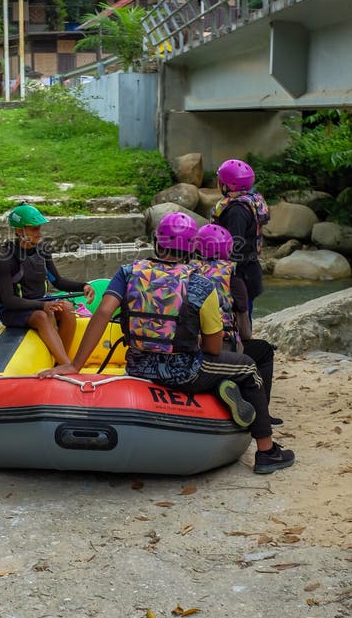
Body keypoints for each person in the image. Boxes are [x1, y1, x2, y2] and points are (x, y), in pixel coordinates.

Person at [38, 211, 294, 474]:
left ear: (157, 243)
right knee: (248, 367)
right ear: (190, 249)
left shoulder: (128, 272)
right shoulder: (201, 283)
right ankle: (267, 452)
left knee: (220, 365)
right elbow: (214, 348)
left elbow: (102, 313)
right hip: (183, 372)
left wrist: (75, 365)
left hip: (137, 366)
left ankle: (223, 393)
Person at [194, 222, 282, 427]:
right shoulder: (233, 280)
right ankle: (262, 413)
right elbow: (245, 333)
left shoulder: (186, 273)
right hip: (223, 350)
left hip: (191, 348)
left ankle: (220, 390)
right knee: (264, 350)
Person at [0, 203, 95, 365]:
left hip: (41, 301)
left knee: (67, 308)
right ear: (20, 231)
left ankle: (59, 362)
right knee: (42, 316)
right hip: (15, 309)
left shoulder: (42, 250)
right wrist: (42, 306)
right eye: (34, 229)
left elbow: (58, 282)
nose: (39, 233)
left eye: (39, 228)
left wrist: (83, 286)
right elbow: (8, 300)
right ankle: (66, 365)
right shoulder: (5, 259)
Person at [210, 159, 270, 321]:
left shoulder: (236, 211)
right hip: (249, 270)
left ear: (228, 185)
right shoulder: (250, 200)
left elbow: (233, 246)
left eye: (220, 181)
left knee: (239, 321)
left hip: (240, 275)